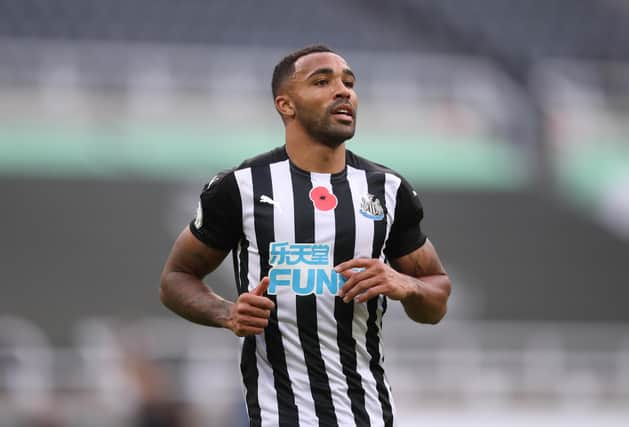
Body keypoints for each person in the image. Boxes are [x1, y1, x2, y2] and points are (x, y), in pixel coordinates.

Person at [160, 45, 452, 427]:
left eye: (349, 82)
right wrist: (227, 312)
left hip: (368, 415)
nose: (343, 90)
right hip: (279, 416)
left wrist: (405, 285)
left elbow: (436, 297)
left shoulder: (387, 190)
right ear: (286, 105)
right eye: (322, 81)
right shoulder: (241, 187)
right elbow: (175, 280)